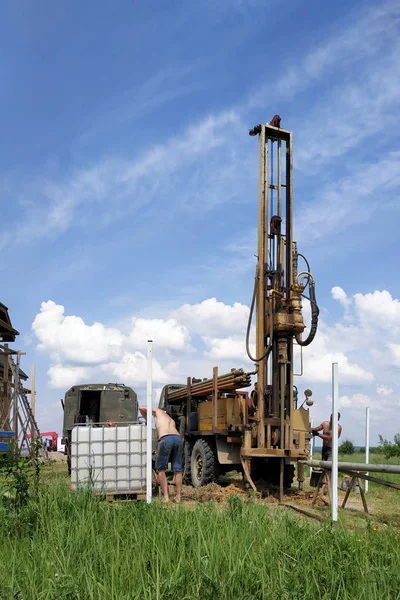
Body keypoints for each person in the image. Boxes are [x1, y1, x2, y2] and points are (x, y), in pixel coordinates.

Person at [139, 406, 183, 503]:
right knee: (177, 469)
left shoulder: (158, 411)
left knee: (161, 469)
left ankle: (166, 497)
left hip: (165, 438)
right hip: (177, 438)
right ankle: (178, 496)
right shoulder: (171, 419)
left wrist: (147, 418)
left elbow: (141, 407)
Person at [310, 414, 342, 495]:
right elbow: (316, 429)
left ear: (337, 420)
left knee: (328, 470)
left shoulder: (338, 428)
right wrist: (308, 429)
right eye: (332, 419)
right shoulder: (325, 424)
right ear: (330, 418)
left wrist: (318, 434)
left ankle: (323, 490)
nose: (332, 421)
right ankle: (323, 489)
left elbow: (329, 438)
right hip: (324, 449)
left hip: (331, 450)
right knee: (324, 468)